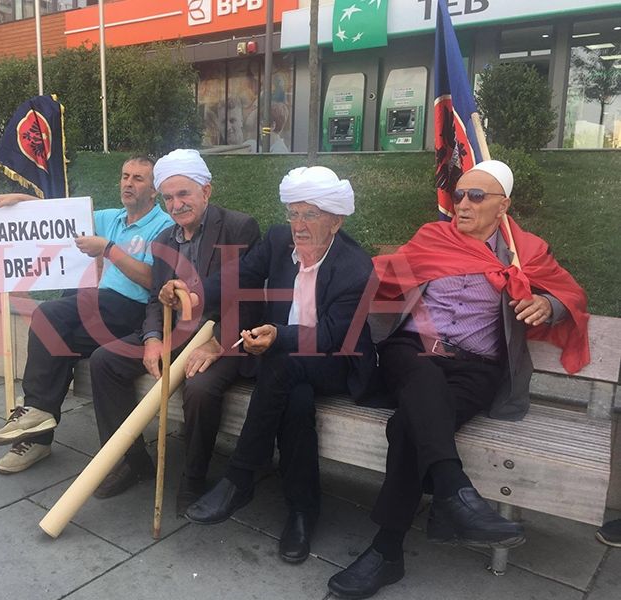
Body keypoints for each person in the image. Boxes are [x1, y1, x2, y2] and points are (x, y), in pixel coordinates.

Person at [327, 160, 590, 599]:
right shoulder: (434, 237)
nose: (462, 204)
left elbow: (571, 294)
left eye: (476, 196)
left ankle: (391, 551)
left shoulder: (525, 253)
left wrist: (549, 305)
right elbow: (384, 275)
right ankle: (451, 490)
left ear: (503, 206)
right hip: (410, 352)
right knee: (421, 373)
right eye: (459, 195)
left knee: (407, 425)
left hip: (475, 367)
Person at [161, 166, 378, 564]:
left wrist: (279, 336)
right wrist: (191, 293)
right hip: (286, 364)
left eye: (310, 215)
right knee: (295, 399)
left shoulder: (355, 266)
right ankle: (301, 513)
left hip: (335, 362)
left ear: (335, 221)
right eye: (293, 213)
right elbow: (238, 275)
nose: (298, 225)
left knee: (283, 363)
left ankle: (240, 477)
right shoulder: (279, 241)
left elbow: (332, 335)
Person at [89, 149, 260, 513]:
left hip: (223, 334)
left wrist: (217, 343)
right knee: (104, 360)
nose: (176, 204)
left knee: (199, 387)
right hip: (175, 332)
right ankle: (132, 462)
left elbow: (246, 297)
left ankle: (193, 478)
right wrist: (152, 339)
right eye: (168, 198)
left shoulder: (238, 227)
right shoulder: (165, 239)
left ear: (206, 191)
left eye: (184, 194)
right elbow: (155, 298)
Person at [0, 155, 173, 473]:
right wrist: (19, 199)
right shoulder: (113, 218)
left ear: (154, 190)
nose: (128, 183)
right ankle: (39, 437)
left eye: (138, 178)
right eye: (125, 176)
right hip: (105, 308)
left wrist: (109, 249)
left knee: (48, 314)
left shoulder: (163, 226)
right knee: (57, 342)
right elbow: (60, 215)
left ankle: (37, 411)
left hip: (135, 310)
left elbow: (154, 281)